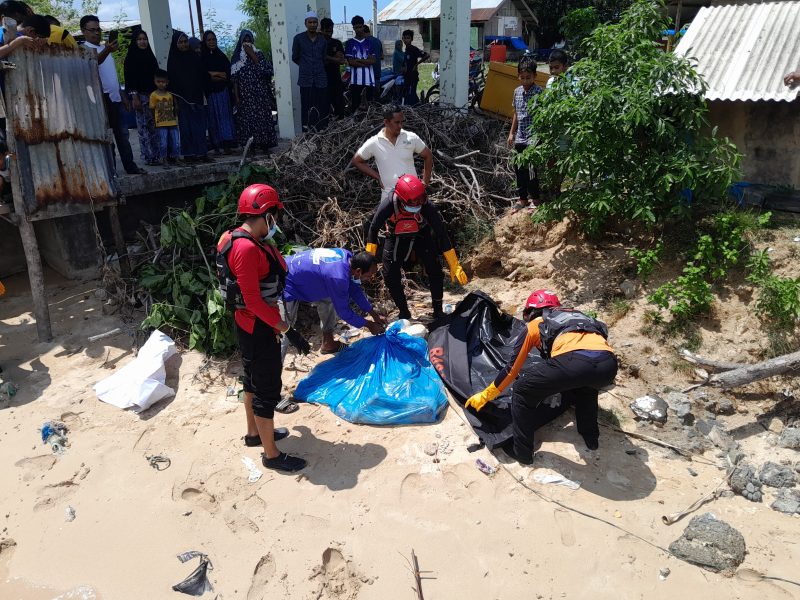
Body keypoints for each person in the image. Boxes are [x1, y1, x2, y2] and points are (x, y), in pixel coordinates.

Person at [216, 184, 311, 472]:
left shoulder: (236, 238)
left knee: (252, 381)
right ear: (266, 214)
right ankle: (271, 456)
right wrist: (287, 330)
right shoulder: (245, 248)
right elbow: (254, 301)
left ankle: (254, 434)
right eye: (275, 215)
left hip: (251, 325)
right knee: (266, 388)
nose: (277, 221)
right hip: (256, 326)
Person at [465, 290, 617, 465]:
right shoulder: (579, 316)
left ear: (531, 311)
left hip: (574, 362)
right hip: (608, 365)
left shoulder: (537, 324)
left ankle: (522, 452)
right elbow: (602, 331)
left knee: (522, 390)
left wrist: (487, 394)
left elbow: (511, 370)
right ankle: (590, 436)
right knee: (587, 387)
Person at [365, 174, 468, 320]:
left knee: (435, 270)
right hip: (396, 236)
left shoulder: (425, 205)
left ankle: (438, 310)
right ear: (401, 198)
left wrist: (454, 263)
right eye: (414, 201)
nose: (419, 203)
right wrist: (370, 259)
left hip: (421, 234)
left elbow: (441, 233)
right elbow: (373, 228)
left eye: (421, 198)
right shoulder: (389, 204)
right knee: (390, 276)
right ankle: (404, 311)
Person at [282, 248, 385, 357]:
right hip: (286, 280)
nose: (370, 279)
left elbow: (354, 289)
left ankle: (328, 343)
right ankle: (272, 371)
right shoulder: (338, 277)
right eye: (369, 275)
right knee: (284, 330)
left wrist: (374, 314)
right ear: (358, 271)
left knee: (328, 299)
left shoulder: (347, 257)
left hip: (301, 273)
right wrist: (369, 325)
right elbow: (344, 312)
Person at [80, 15, 145, 175]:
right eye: (92, 30)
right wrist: (108, 50)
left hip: (116, 100)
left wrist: (123, 97)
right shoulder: (83, 50)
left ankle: (130, 166)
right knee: (107, 139)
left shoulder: (105, 48)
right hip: (101, 101)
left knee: (123, 136)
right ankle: (111, 171)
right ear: (83, 31)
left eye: (98, 29)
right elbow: (92, 63)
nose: (96, 33)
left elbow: (113, 77)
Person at [352, 105, 433, 202]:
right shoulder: (374, 142)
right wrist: (378, 177)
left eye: (402, 122)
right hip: (388, 197)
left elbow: (428, 155)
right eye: (397, 122)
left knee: (433, 216)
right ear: (386, 122)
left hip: (413, 197)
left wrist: (425, 182)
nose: (400, 126)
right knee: (379, 218)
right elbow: (356, 161)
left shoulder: (411, 137)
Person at [231, 29, 277, 153]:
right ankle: (250, 147)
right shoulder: (236, 58)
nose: (247, 43)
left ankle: (265, 145)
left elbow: (267, 71)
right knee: (248, 121)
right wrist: (237, 97)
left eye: (249, 40)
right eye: (244, 40)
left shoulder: (259, 54)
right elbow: (234, 79)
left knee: (262, 119)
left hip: (260, 94)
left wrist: (253, 55)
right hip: (245, 96)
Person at [167, 30, 210, 163]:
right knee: (186, 128)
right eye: (180, 42)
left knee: (199, 127)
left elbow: (202, 76)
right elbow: (172, 83)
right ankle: (189, 155)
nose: (184, 45)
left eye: (185, 42)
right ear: (175, 44)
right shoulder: (173, 61)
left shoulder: (194, 57)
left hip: (196, 97)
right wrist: (175, 101)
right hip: (182, 99)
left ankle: (202, 153)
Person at [508, 58, 543, 212]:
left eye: (528, 77)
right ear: (518, 76)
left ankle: (535, 199)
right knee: (519, 169)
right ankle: (522, 199)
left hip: (533, 137)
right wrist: (511, 133)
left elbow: (543, 116)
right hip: (520, 137)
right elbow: (516, 113)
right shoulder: (517, 92)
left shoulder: (539, 92)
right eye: (522, 77)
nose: (525, 80)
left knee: (531, 169)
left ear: (535, 76)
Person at [124, 29, 160, 166]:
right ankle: (148, 156)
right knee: (143, 127)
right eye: (139, 39)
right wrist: (134, 97)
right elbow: (129, 80)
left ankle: (157, 155)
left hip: (154, 96)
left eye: (144, 39)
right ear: (135, 41)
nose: (142, 41)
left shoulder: (151, 57)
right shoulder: (131, 58)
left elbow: (157, 76)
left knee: (155, 126)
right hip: (140, 97)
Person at [291, 11, 329, 131]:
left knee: (321, 106)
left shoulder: (323, 40)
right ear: (305, 23)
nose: (313, 24)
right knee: (307, 107)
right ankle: (307, 135)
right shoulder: (298, 39)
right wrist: (305, 66)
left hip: (320, 79)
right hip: (305, 80)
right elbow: (295, 57)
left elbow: (324, 58)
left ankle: (322, 133)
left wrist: (316, 67)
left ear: (317, 24)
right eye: (310, 22)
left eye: (315, 22)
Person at [201, 29, 236, 154]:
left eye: (213, 39)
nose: (212, 42)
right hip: (210, 93)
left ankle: (227, 145)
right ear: (204, 42)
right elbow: (204, 75)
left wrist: (213, 74)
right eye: (209, 40)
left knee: (224, 118)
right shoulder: (202, 57)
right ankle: (216, 145)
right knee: (213, 119)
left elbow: (227, 74)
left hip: (223, 92)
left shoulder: (221, 56)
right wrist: (216, 74)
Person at [149, 69, 181, 165]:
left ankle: (176, 158)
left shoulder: (171, 94)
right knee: (163, 143)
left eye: (163, 82)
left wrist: (177, 111)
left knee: (176, 142)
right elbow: (152, 109)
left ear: (167, 82)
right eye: (158, 82)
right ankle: (164, 159)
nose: (161, 84)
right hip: (161, 123)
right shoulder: (153, 95)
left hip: (172, 122)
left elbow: (176, 106)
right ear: (155, 81)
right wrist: (154, 122)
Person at [345, 15, 375, 113]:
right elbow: (351, 62)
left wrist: (358, 60)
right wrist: (366, 63)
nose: (358, 29)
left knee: (369, 108)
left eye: (360, 27)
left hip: (369, 81)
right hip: (355, 82)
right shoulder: (350, 43)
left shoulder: (370, 42)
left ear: (363, 26)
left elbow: (373, 61)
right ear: (353, 28)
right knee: (355, 107)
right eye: (356, 27)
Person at [320, 17, 345, 119]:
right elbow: (320, 60)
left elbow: (341, 60)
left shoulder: (337, 43)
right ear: (321, 29)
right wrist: (334, 58)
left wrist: (327, 58)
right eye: (327, 30)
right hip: (322, 80)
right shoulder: (318, 43)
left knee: (339, 106)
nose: (329, 33)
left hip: (336, 79)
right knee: (324, 108)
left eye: (331, 30)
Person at [401, 30, 429, 106]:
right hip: (407, 76)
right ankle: (420, 106)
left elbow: (426, 55)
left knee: (411, 95)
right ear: (402, 39)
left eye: (408, 38)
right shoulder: (406, 50)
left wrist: (417, 64)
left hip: (413, 76)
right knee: (408, 94)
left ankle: (416, 109)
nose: (406, 40)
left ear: (412, 39)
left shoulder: (414, 49)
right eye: (405, 38)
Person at [363, 25, 383, 95]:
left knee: (367, 99)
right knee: (376, 98)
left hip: (367, 75)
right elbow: (382, 56)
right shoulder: (378, 41)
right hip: (377, 73)